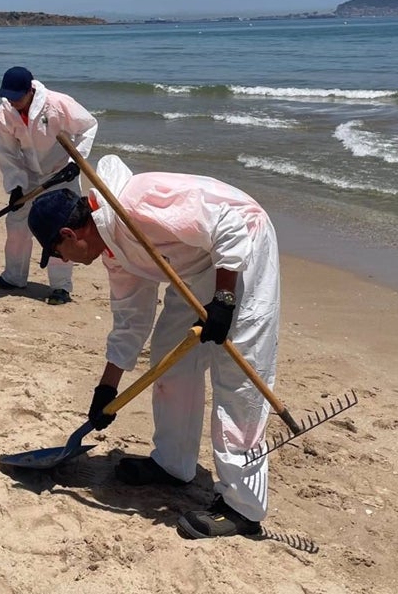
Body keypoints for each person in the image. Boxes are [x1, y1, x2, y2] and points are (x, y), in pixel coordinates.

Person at [26, 155, 280, 539]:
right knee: (169, 356)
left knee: (237, 374)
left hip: (243, 247)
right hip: (197, 264)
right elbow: (132, 321)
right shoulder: (110, 252)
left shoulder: (137, 206)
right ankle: (173, 464)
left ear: (68, 234)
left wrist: (225, 299)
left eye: (58, 254)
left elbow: (228, 226)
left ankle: (243, 508)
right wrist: (107, 388)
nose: (64, 263)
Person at [0, 66, 98, 305]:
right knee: (16, 224)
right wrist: (15, 184)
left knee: (60, 231)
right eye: (9, 97)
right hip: (29, 176)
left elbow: (88, 126)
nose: (13, 102)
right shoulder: (6, 112)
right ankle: (14, 277)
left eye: (17, 97)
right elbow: (6, 150)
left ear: (30, 90)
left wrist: (75, 161)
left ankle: (61, 288)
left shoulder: (57, 103)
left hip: (61, 174)